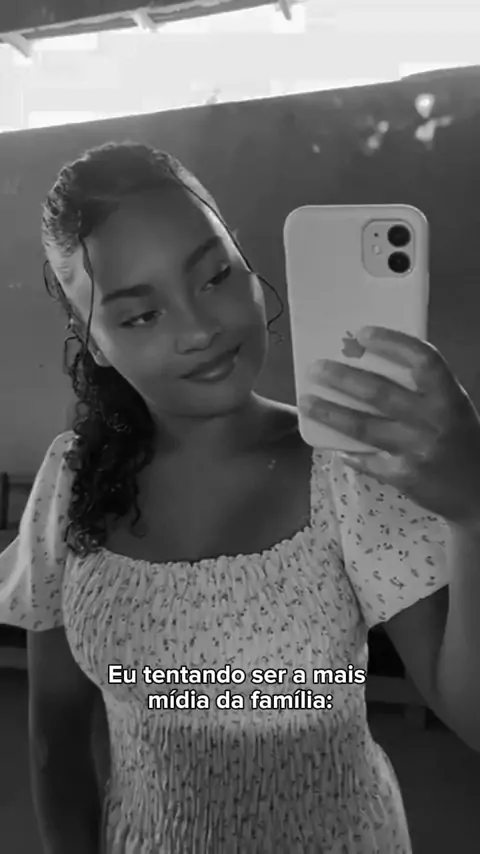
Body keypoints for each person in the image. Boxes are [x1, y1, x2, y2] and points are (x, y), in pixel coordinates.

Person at [1, 140, 480, 854]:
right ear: (94, 343)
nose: (200, 329)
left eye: (216, 275)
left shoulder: (347, 467)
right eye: (141, 315)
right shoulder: (71, 480)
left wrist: (474, 510)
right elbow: (54, 740)